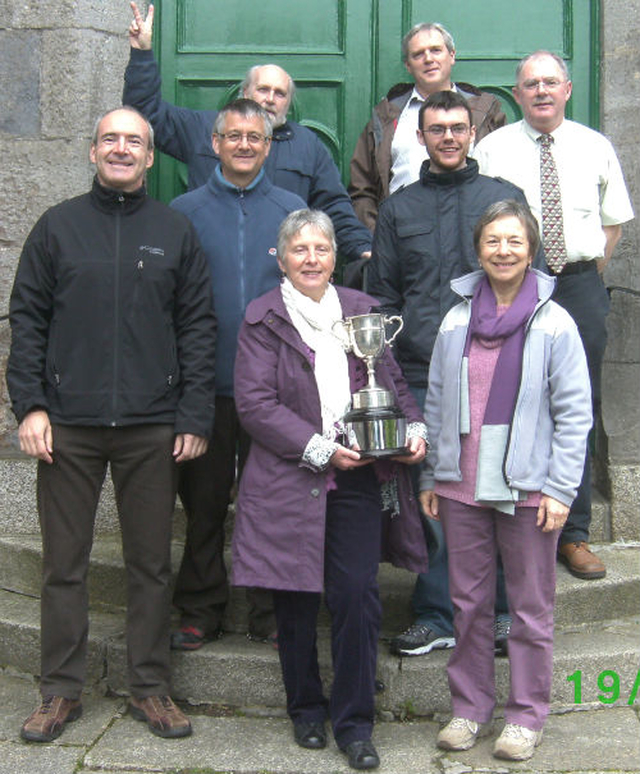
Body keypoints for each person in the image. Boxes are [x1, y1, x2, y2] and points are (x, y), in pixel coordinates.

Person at [6, 107, 217, 742]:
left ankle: (150, 687)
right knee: (63, 565)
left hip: (153, 427)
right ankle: (58, 691)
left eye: (134, 141)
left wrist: (194, 413)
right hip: (66, 428)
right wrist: (31, 406)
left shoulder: (174, 231)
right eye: (110, 139)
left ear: (152, 158)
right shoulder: (56, 228)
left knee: (151, 566)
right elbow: (28, 322)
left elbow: (199, 329)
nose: (121, 149)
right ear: (92, 151)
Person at [230, 209, 428, 770]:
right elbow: (254, 404)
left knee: (358, 596)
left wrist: (411, 428)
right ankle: (306, 710)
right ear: (282, 258)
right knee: (294, 599)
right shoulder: (262, 318)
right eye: (300, 250)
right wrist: (317, 447)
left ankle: (356, 722)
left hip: (360, 476)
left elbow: (390, 383)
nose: (311, 259)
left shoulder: (362, 311)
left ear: (334, 257)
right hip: (290, 477)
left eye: (321, 249)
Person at [369, 90, 544, 658]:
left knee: (494, 487)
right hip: (421, 371)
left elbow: (530, 281)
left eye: (457, 127)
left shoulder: (503, 198)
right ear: (420, 136)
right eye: (436, 128)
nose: (448, 136)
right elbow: (383, 297)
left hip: (496, 369)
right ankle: (436, 611)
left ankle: (497, 614)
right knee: (437, 491)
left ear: (473, 133)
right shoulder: (401, 209)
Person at [422, 200, 592, 761]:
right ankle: (469, 709)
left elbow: (574, 414)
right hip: (461, 483)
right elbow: (439, 399)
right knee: (468, 603)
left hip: (528, 486)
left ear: (531, 248)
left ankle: (525, 716)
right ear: (479, 249)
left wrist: (561, 489)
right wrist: (430, 472)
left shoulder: (554, 321)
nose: (503, 250)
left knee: (528, 607)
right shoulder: (456, 317)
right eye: (493, 240)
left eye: (514, 241)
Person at [474, 51, 634, 580]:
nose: (541, 90)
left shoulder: (595, 146)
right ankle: (504, 518)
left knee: (577, 402)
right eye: (529, 84)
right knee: (504, 395)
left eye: (550, 82)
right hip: (513, 285)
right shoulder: (493, 149)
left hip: (579, 285)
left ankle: (575, 534)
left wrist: (579, 273)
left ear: (567, 88)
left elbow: (612, 224)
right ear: (515, 94)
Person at [168, 98, 305, 650]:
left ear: (269, 146)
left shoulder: (293, 209)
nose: (245, 144)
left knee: (271, 503)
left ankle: (269, 611)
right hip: (205, 387)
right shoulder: (184, 211)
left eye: (256, 137)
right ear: (215, 143)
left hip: (276, 392)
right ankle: (201, 607)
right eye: (234, 135)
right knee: (203, 504)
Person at [124, 2, 372, 266]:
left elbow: (334, 206)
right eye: (263, 89)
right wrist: (142, 55)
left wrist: (363, 249)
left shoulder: (309, 146)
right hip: (210, 266)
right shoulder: (202, 127)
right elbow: (143, 115)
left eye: (280, 93)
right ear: (245, 93)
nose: (270, 99)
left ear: (288, 103)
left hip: (279, 273)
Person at [349, 22, 506, 232]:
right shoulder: (386, 116)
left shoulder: (485, 112)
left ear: (452, 56)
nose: (428, 59)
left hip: (475, 233)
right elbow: (362, 189)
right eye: (418, 54)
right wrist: (376, 238)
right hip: (404, 234)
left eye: (435, 50)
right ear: (408, 65)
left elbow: (504, 178)